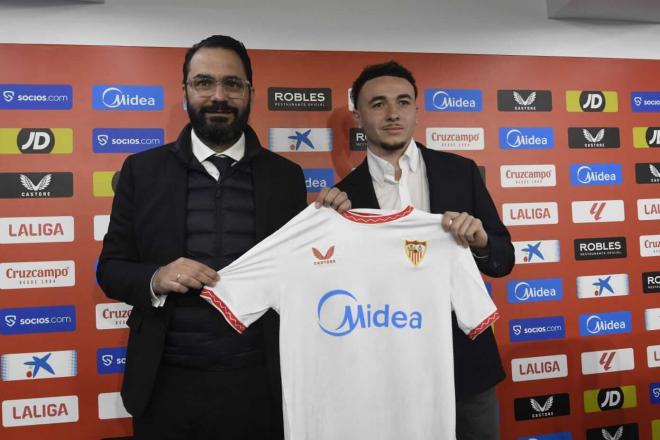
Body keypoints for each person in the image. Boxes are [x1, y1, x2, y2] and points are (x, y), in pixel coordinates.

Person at [96, 35, 348, 439]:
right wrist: (156, 278)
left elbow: (299, 276)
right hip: (165, 386)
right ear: (185, 92)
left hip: (260, 384)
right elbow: (110, 270)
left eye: (232, 84)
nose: (218, 96)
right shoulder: (142, 171)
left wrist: (335, 233)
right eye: (203, 83)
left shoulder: (283, 177)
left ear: (250, 92)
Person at [333, 61, 514, 440]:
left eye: (403, 101)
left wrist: (480, 240)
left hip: (465, 365)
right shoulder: (344, 198)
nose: (393, 113)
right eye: (378, 103)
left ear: (417, 109)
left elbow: (503, 258)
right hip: (385, 371)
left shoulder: (460, 171)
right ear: (359, 115)